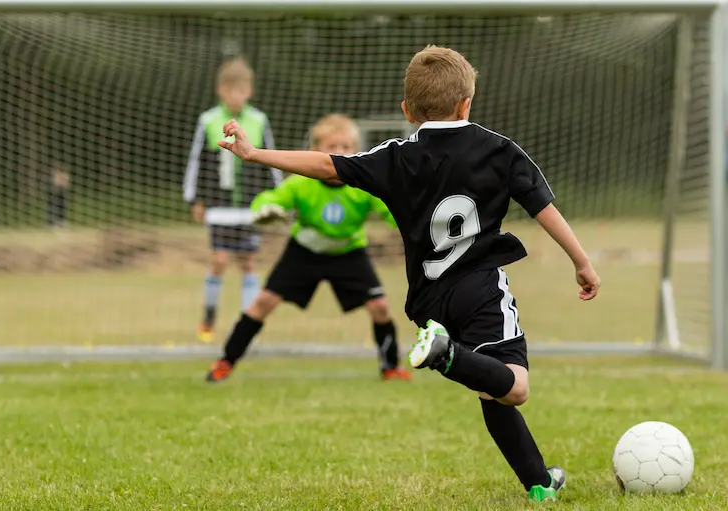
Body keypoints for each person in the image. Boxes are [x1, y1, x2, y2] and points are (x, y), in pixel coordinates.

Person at [215, 45, 602, 503]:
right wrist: (581, 261)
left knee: (488, 387)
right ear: (467, 102)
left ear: (407, 110)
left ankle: (539, 483)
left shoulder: (396, 156)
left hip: (428, 300)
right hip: (479, 288)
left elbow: (325, 165)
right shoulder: (499, 150)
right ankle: (446, 354)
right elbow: (543, 209)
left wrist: (255, 153)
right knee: (513, 387)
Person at [205, 114, 411, 383]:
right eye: (332, 147)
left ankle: (390, 367)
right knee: (263, 302)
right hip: (304, 251)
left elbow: (393, 211)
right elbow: (267, 201)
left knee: (380, 307)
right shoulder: (301, 182)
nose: (340, 153)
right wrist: (265, 211)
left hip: (348, 253)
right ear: (315, 151)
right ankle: (225, 362)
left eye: (347, 147)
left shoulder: (363, 185)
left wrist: (412, 222)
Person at [183, 57, 281, 343]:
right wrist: (195, 200)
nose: (236, 95)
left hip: (249, 208)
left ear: (249, 91)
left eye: (241, 90)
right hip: (218, 207)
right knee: (219, 260)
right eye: (230, 90)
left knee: (248, 262)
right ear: (220, 90)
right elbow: (196, 161)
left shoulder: (259, 121)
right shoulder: (208, 120)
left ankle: (245, 323)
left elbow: (271, 159)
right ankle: (209, 317)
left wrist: (275, 198)